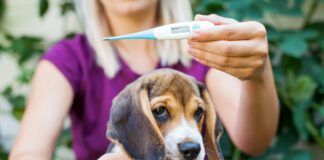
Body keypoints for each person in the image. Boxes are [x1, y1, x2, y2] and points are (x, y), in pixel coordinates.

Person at [9, 0, 279, 160]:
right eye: (161, 111)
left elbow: (253, 142)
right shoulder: (69, 58)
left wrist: (257, 75)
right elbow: (27, 154)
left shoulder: (203, 50)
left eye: (197, 112)